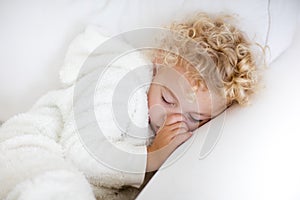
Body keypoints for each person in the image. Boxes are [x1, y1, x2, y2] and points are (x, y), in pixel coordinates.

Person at [0, 12, 260, 200]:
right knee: (60, 190)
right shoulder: (121, 75)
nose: (171, 119)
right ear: (160, 60)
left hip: (79, 180)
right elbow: (80, 150)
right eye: (167, 99)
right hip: (33, 145)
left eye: (196, 118)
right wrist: (151, 156)